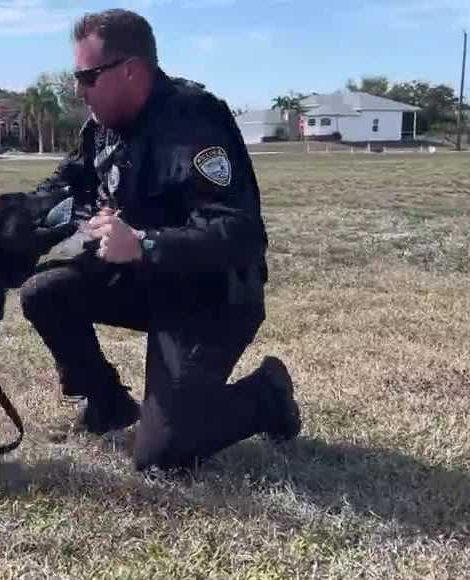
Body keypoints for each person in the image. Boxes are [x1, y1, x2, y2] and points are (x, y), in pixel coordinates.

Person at [19, 9, 302, 471]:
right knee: (44, 292)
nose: (79, 90)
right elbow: (63, 186)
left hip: (212, 297)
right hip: (147, 282)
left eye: (87, 77)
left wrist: (145, 244)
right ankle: (107, 401)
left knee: (163, 454)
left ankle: (268, 395)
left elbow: (242, 233)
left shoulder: (195, 121)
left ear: (129, 70)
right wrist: (0, 223)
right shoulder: (102, 125)